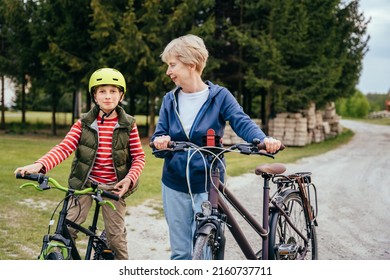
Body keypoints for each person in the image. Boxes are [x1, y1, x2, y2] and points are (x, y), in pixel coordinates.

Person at [151, 34, 282, 260]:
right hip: (173, 183)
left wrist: (263, 140)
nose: (168, 71)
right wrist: (160, 140)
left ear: (191, 63)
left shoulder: (220, 96)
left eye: (172, 65)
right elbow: (158, 139)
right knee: (181, 253)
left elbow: (242, 122)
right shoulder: (169, 100)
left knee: (206, 252)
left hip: (208, 183)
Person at [14, 67, 146, 260]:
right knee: (67, 228)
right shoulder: (83, 123)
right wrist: (39, 165)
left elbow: (139, 158)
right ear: (94, 95)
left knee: (116, 238)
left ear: (121, 95)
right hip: (85, 183)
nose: (107, 96)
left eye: (113, 91)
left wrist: (129, 180)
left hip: (113, 186)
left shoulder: (128, 124)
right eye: (102, 91)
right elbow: (64, 147)